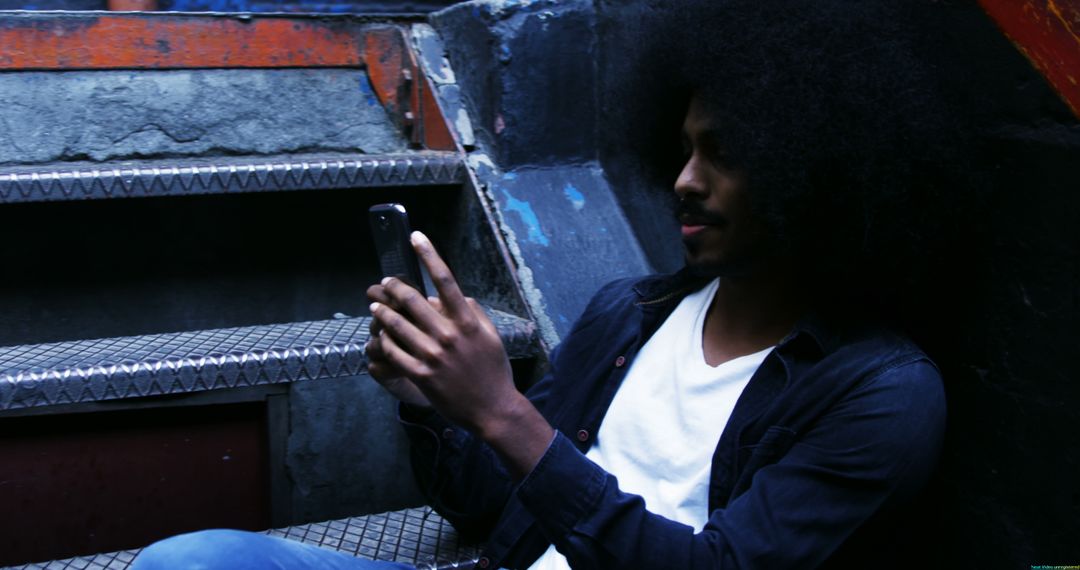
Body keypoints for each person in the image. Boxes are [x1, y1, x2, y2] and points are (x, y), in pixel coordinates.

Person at [133, 1, 958, 568]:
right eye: (682, 149)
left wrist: (502, 409)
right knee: (190, 558)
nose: (683, 180)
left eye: (725, 154)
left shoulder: (880, 395)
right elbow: (485, 505)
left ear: (822, 173)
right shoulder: (630, 317)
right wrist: (431, 399)